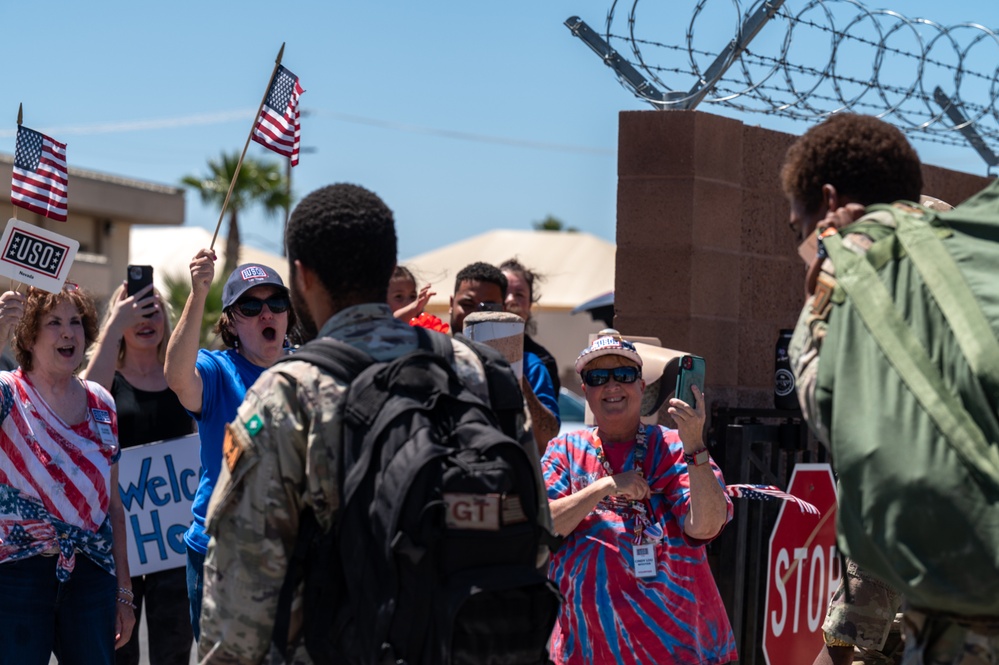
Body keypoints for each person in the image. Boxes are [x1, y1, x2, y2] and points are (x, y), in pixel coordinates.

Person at [197, 183, 546, 663]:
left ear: (302, 277)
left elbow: (241, 610)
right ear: (387, 268)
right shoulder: (481, 372)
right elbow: (535, 535)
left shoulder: (289, 394)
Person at [781, 114, 922, 665]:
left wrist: (823, 281)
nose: (800, 241)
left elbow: (833, 408)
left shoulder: (865, 267)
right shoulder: (969, 253)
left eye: (799, 227)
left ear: (830, 201)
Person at [541, 330, 736, 664]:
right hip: (587, 651)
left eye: (625, 374)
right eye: (599, 377)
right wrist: (605, 486)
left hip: (681, 651)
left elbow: (706, 526)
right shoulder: (564, 452)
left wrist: (695, 446)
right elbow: (545, 526)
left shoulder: (675, 447)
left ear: (641, 386)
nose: (612, 385)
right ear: (585, 390)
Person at [0, 285, 135, 663]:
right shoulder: (8, 391)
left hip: (91, 575)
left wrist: (123, 591)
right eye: (54, 322)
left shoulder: (101, 401)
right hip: (17, 573)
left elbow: (114, 505)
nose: (68, 333)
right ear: (27, 336)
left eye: (76, 322)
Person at [164, 252, 295, 642]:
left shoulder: (309, 370)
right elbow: (176, 375)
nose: (266, 314)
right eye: (251, 306)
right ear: (232, 323)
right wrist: (198, 293)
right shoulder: (218, 370)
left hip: (290, 548)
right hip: (222, 550)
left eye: (277, 303)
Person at [83, 282, 196, 665]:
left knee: (175, 650)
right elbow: (84, 399)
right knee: (119, 650)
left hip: (174, 545)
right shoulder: (105, 382)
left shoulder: (183, 377)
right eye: (135, 311)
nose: (146, 319)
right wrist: (113, 324)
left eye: (155, 309)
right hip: (117, 547)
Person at [450, 261, 560, 451]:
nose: (476, 315)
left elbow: (546, 441)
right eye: (467, 304)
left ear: (502, 311)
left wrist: (513, 370)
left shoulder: (531, 365)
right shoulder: (433, 355)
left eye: (487, 308)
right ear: (452, 304)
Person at [500, 258, 561, 396]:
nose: (511, 300)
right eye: (504, 293)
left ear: (529, 304)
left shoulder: (543, 361)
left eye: (519, 294)